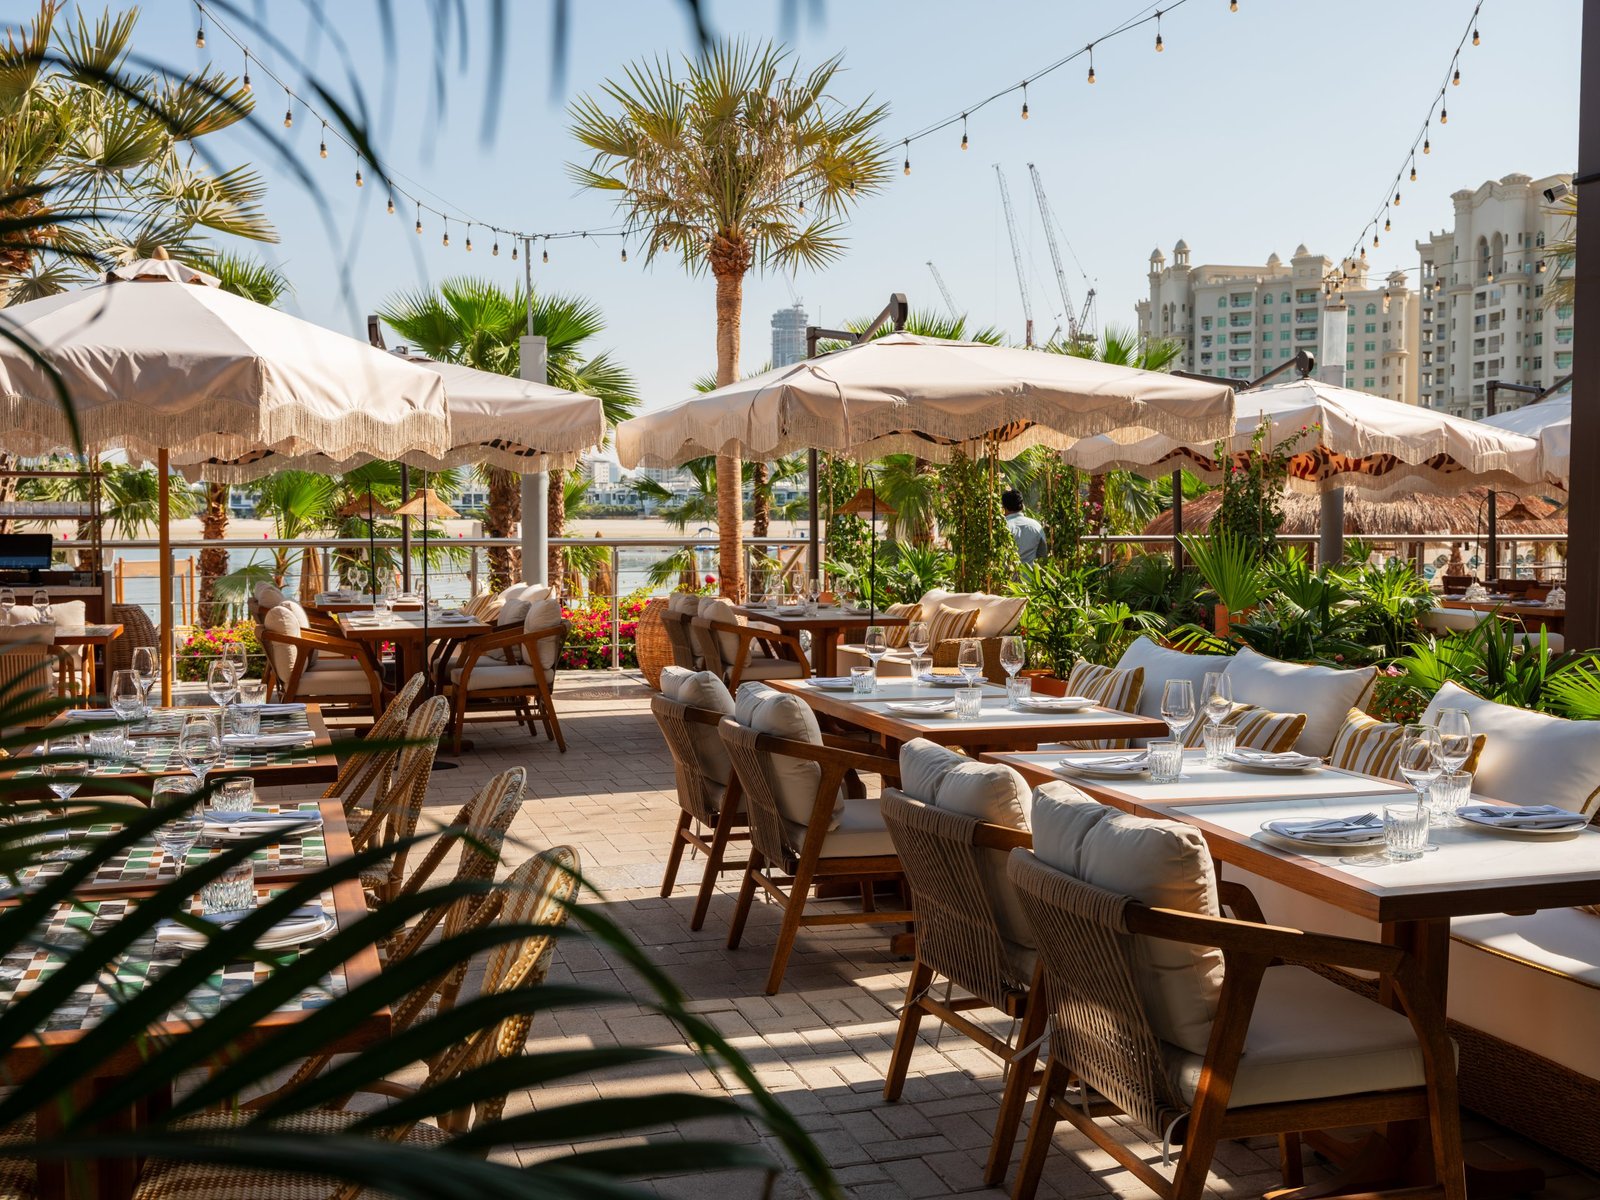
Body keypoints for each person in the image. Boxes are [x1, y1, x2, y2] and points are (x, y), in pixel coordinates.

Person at [1002, 489, 1046, 565]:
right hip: (1030, 572)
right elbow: (1042, 554)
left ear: (1004, 507)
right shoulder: (1036, 526)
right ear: (1022, 505)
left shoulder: (1002, 528)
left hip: (1006, 572)